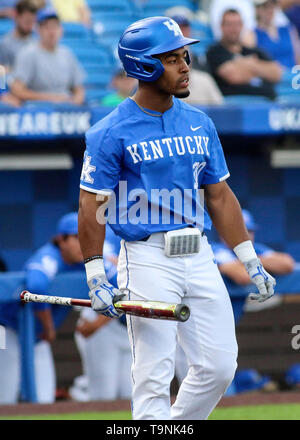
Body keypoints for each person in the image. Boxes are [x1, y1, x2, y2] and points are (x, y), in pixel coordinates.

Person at [78, 16, 276, 420]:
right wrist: (96, 273)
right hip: (147, 258)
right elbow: (90, 203)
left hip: (199, 255)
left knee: (220, 366)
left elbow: (219, 195)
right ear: (143, 66)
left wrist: (250, 258)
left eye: (184, 56)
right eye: (172, 59)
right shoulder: (110, 131)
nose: (185, 65)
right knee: (153, 375)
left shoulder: (200, 121)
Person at [0, 212, 84, 404]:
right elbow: (36, 286)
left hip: (37, 338)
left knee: (44, 400)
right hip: (7, 329)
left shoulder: (86, 261)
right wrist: (49, 327)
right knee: (4, 398)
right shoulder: (50, 256)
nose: (82, 243)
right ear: (61, 240)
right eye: (76, 237)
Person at [70, 224, 132, 402]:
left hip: (126, 325)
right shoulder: (97, 249)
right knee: (103, 394)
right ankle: (81, 390)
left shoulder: (119, 234)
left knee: (131, 392)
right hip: (103, 322)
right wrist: (96, 324)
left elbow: (126, 289)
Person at [9, 6, 85, 106]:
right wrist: (51, 98)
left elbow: (79, 88)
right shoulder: (28, 53)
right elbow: (17, 89)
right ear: (38, 30)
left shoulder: (67, 53)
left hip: (66, 109)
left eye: (55, 26)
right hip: (38, 109)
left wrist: (75, 103)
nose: (51, 31)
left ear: (61, 30)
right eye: (47, 27)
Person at [206, 9, 282, 101]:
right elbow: (233, 76)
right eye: (229, 24)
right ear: (221, 26)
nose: (234, 29)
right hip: (233, 107)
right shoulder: (214, 51)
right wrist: (257, 66)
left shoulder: (254, 50)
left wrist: (248, 65)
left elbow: (276, 73)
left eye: (237, 24)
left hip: (266, 102)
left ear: (242, 26)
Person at [166, 9, 225, 105]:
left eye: (184, 27)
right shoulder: (159, 82)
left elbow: (221, 111)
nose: (181, 32)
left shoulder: (205, 80)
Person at [252, 0, 300, 69]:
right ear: (257, 9)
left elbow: (298, 57)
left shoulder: (288, 29)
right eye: (265, 7)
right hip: (270, 77)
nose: (269, 10)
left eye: (272, 6)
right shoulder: (252, 35)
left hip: (293, 76)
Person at [0, 0, 38, 73]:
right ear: (16, 17)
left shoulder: (36, 42)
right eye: (27, 21)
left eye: (33, 21)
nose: (30, 25)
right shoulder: (4, 44)